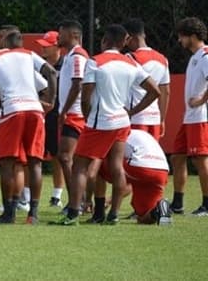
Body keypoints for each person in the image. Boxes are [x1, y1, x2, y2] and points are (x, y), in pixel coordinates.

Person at [52, 24, 160, 226]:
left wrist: (87, 116)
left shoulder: (95, 62)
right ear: (122, 43)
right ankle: (114, 214)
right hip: (122, 120)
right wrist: (132, 112)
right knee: (117, 166)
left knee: (80, 166)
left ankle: (74, 213)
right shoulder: (130, 63)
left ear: (105, 41)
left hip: (100, 121)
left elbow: (86, 95)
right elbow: (155, 91)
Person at [0, 30, 57, 224]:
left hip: (13, 110)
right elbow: (51, 72)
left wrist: (6, 104)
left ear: (4, 43)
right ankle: (33, 213)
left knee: (8, 163)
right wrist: (50, 100)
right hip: (34, 109)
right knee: (35, 162)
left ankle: (9, 213)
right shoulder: (29, 55)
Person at [170, 17, 208, 215]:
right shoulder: (195, 58)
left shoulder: (205, 56)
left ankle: (207, 204)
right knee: (177, 157)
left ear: (193, 36)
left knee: (201, 160)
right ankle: (178, 203)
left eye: (182, 36)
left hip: (200, 117)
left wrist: (201, 100)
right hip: (190, 118)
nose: (180, 40)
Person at [97, 130, 172, 225]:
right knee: (143, 218)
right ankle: (158, 210)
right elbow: (128, 184)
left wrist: (105, 201)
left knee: (97, 163)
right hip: (162, 171)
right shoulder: (139, 134)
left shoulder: (116, 133)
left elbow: (121, 180)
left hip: (141, 166)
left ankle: (100, 212)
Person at [53, 21, 90, 212]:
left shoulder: (78, 56)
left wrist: (65, 109)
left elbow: (78, 84)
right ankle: (80, 200)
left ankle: (77, 202)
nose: (58, 37)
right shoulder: (70, 56)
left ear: (72, 34)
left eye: (61, 33)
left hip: (75, 113)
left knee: (66, 157)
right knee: (68, 158)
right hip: (72, 112)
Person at [123, 18, 170, 141]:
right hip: (154, 118)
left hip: (135, 117)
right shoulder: (163, 59)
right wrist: (162, 120)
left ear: (130, 37)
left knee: (134, 157)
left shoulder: (130, 58)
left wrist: (130, 112)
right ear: (143, 34)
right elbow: (165, 92)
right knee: (151, 157)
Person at [35, 30, 66, 208]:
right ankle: (25, 196)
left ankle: (57, 195)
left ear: (57, 46)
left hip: (58, 114)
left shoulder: (66, 64)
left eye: (47, 46)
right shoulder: (40, 65)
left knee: (58, 155)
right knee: (34, 155)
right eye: (42, 46)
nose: (43, 49)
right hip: (40, 112)